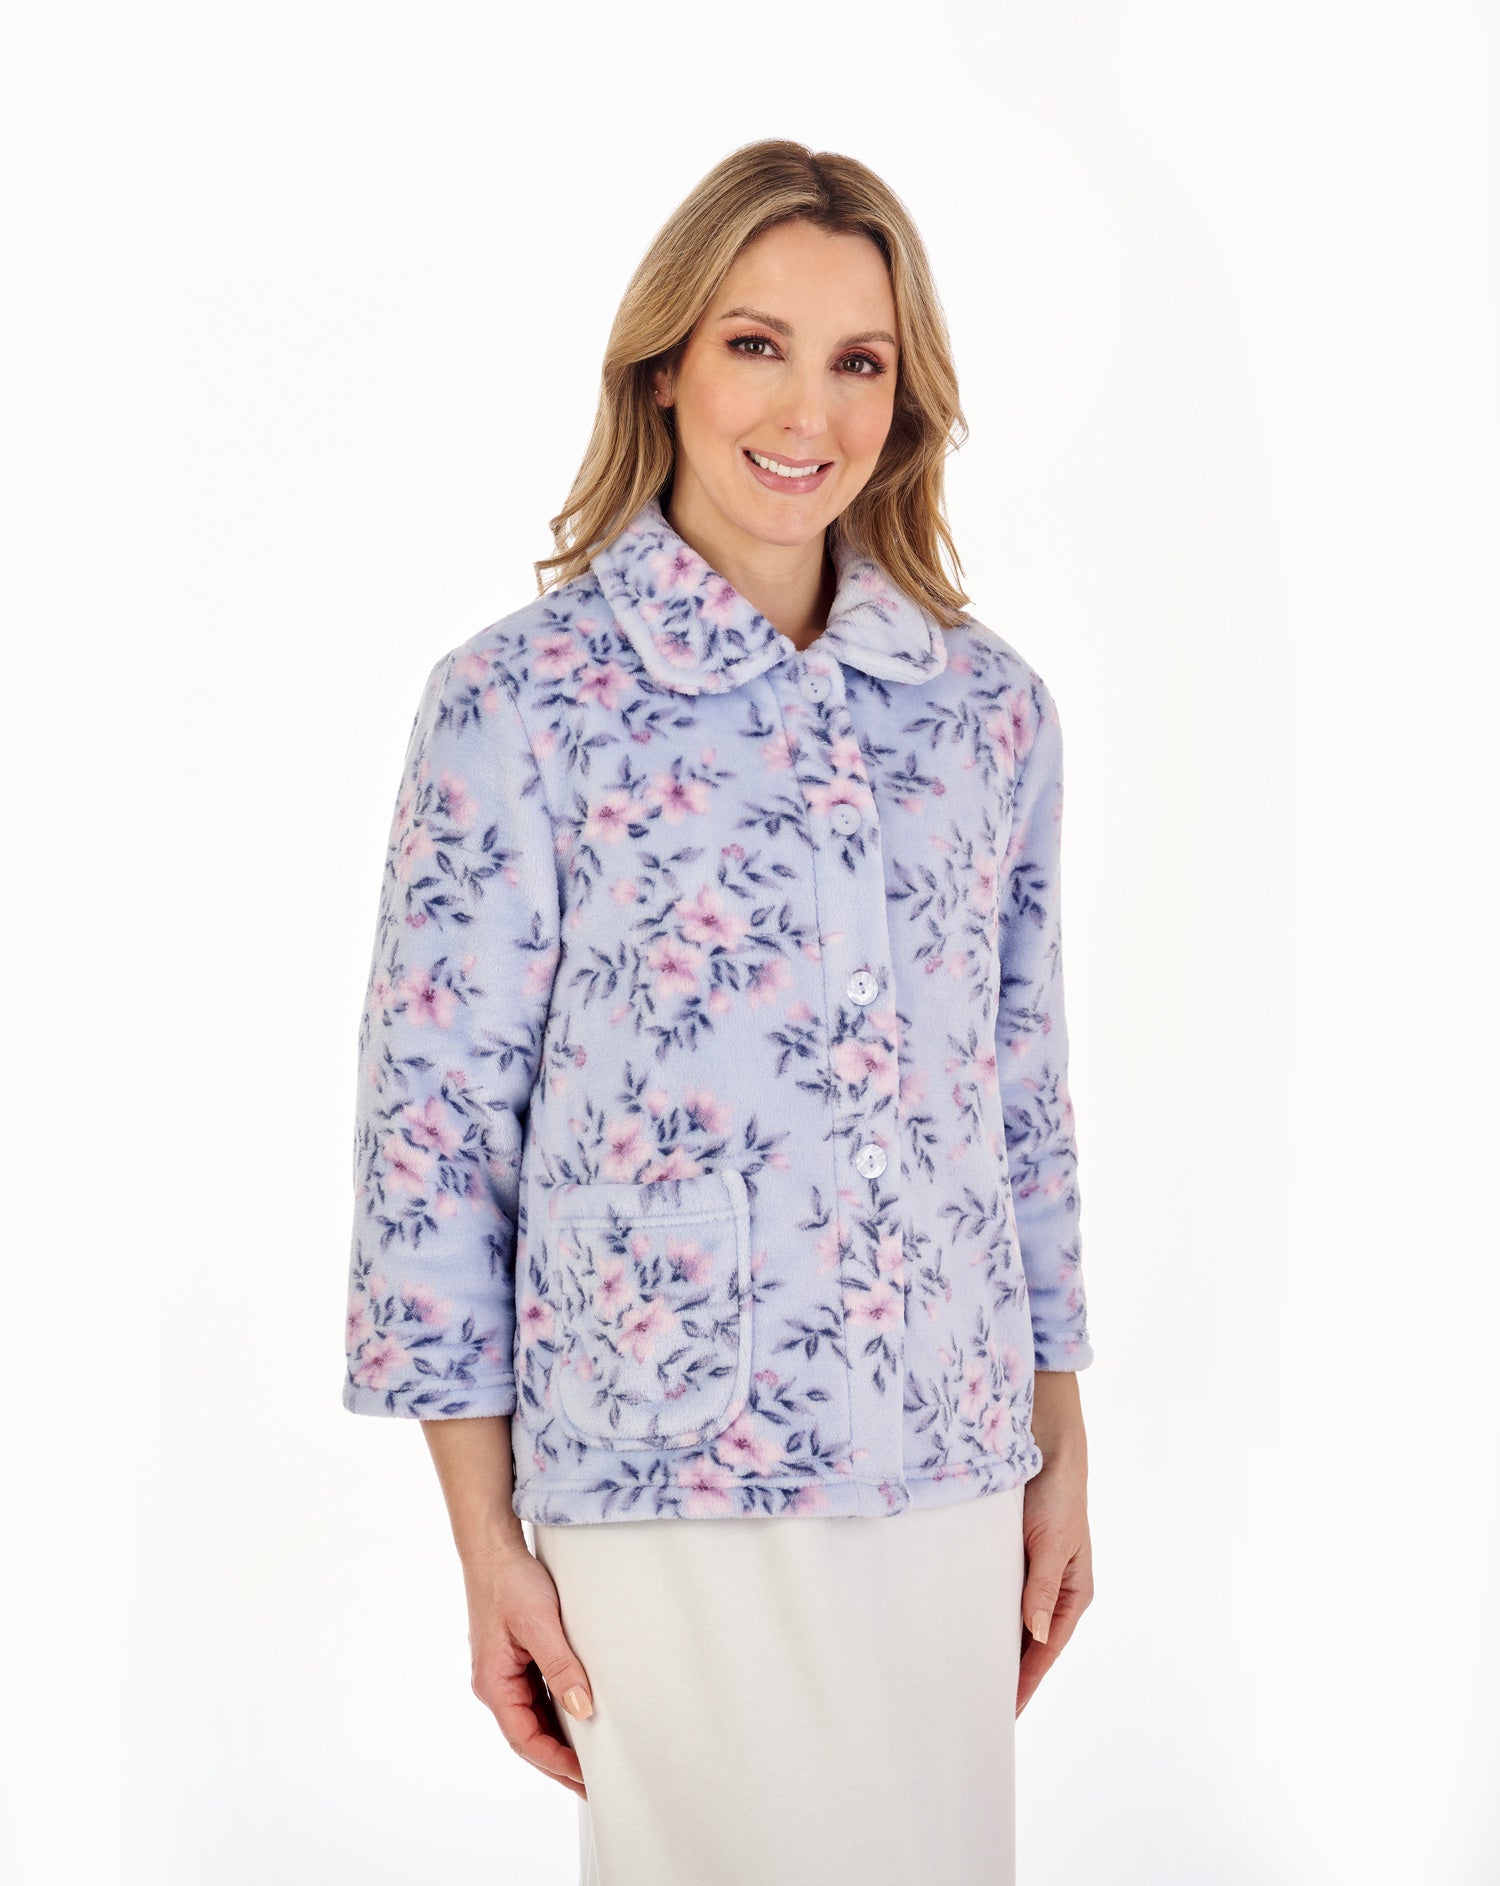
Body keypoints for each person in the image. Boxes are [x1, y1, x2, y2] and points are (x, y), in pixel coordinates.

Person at [342, 137, 1095, 1886]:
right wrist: (484, 1542)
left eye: (860, 359)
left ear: (906, 398)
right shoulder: (520, 705)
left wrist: (1060, 1447)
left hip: (949, 1463)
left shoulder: (987, 713)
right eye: (757, 344)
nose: (807, 410)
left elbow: (1023, 1099)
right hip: (662, 1468)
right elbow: (434, 1138)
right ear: (666, 366)